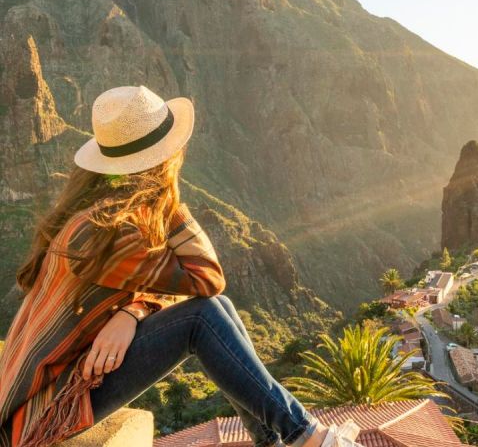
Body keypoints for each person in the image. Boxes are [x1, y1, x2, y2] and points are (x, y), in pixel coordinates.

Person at [0, 85, 363, 447]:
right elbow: (208, 277)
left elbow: (179, 287)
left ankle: (273, 441)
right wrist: (168, 196)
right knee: (203, 317)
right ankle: (308, 436)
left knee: (220, 309)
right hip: (46, 407)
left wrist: (132, 312)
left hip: (61, 382)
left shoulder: (102, 210)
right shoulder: (109, 231)